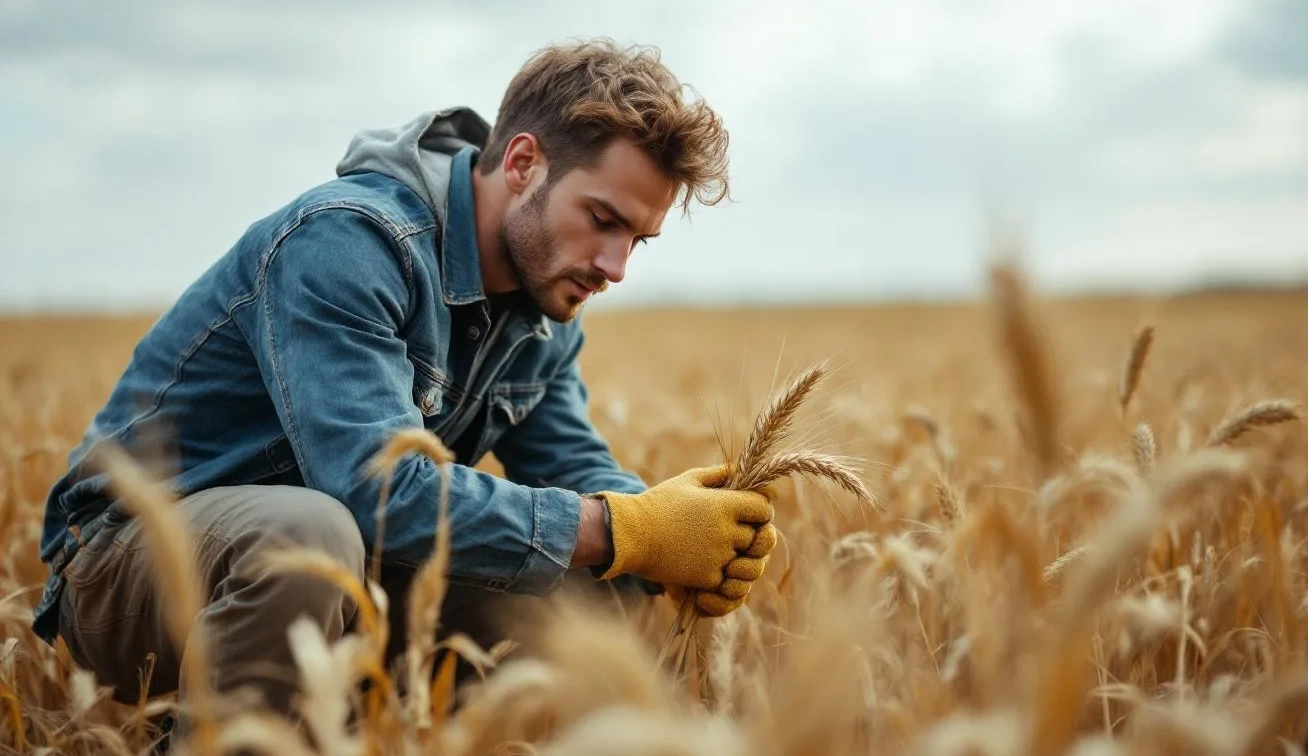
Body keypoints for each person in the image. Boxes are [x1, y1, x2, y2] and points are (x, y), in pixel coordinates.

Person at [31, 38, 778, 725]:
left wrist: (676, 543)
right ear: (523, 163)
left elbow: (572, 466)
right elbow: (374, 493)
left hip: (339, 575)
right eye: (603, 220)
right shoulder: (348, 243)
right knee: (310, 536)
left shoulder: (547, 303)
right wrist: (626, 531)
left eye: (637, 240)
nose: (615, 268)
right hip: (127, 563)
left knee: (591, 592)